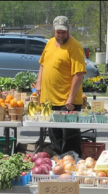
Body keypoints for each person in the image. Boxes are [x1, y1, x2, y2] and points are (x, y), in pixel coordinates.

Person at [35, 16, 86, 157]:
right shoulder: (50, 43)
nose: (61, 35)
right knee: (54, 137)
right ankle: (58, 165)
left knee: (70, 138)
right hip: (49, 100)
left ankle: (72, 166)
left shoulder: (74, 46)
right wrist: (39, 84)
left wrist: (70, 98)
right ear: (53, 30)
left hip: (67, 102)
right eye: (58, 32)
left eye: (63, 32)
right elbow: (43, 64)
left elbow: (79, 74)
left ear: (68, 29)